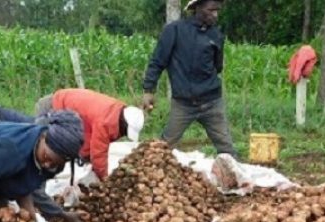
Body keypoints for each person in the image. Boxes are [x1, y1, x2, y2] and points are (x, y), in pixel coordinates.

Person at [142, 0, 237, 157]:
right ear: (197, 8)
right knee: (164, 147)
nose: (215, 15)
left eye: (217, 11)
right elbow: (158, 61)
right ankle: (148, 173)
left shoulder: (216, 35)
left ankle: (237, 179)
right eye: (211, 10)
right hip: (183, 104)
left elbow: (217, 67)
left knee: (226, 147)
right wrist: (148, 90)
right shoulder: (175, 31)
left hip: (211, 102)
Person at [0, 105, 81, 222]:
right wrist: (62, 214)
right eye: (47, 158)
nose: (47, 165)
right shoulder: (19, 148)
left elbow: (28, 187)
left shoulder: (50, 147)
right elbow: (33, 190)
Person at [34, 89, 145, 184]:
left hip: (64, 103)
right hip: (53, 108)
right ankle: (36, 195)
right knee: (44, 158)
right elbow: (98, 154)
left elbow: (89, 136)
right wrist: (105, 180)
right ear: (124, 123)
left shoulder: (116, 110)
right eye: (126, 131)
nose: (124, 134)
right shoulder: (106, 121)